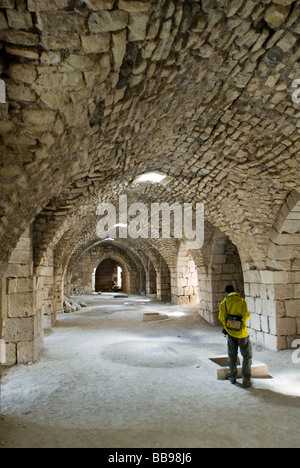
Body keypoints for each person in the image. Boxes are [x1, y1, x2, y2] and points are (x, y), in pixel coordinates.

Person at [219, 285, 252, 389]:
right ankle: (246, 379)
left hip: (231, 333)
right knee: (246, 355)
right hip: (242, 332)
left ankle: (232, 376)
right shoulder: (242, 301)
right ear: (234, 291)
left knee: (232, 354)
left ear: (226, 292)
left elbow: (221, 317)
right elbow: (246, 316)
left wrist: (227, 327)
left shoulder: (224, 303)